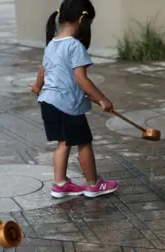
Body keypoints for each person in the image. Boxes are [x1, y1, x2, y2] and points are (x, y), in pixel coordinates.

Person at [30, 0, 118, 199]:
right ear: (81, 19)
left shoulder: (52, 43)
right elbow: (81, 78)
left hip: (48, 102)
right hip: (67, 105)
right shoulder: (74, 46)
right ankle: (93, 185)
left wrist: (37, 86)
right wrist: (102, 99)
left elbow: (43, 70)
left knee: (63, 143)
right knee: (84, 143)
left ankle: (60, 185)